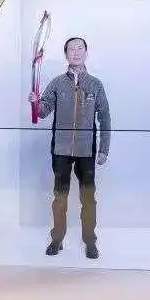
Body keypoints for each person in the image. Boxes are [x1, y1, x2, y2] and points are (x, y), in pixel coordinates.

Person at [28, 36, 111, 259]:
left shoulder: (95, 84)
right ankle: (57, 240)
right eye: (71, 49)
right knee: (60, 198)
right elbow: (43, 111)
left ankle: (90, 242)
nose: (76, 52)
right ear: (66, 54)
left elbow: (105, 117)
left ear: (86, 52)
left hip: (86, 150)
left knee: (88, 198)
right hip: (61, 150)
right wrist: (36, 102)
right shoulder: (57, 83)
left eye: (79, 48)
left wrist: (103, 149)